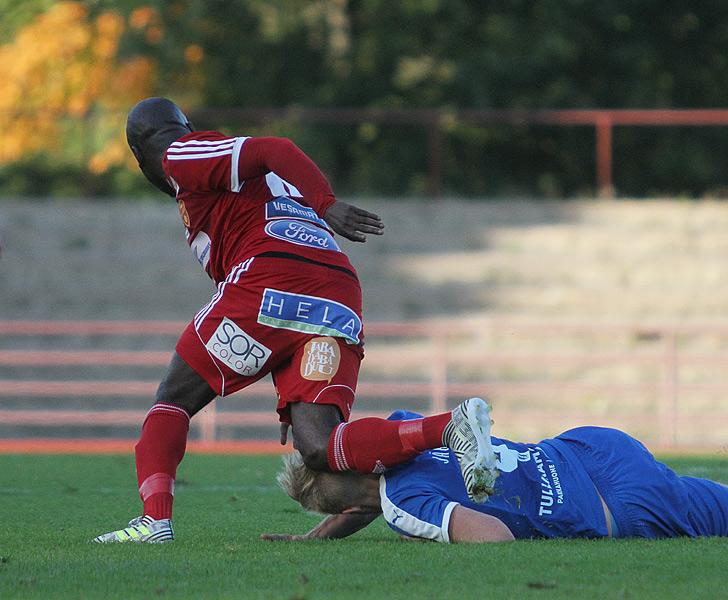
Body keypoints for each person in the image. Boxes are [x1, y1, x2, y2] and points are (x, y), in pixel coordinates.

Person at [93, 97, 497, 543]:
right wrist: (290, 387)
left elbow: (274, 148)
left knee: (171, 400)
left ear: (139, 154)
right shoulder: (239, 192)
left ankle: (154, 522)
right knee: (319, 445)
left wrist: (327, 204)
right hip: (336, 287)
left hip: (270, 275)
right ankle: (450, 425)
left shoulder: (180, 153)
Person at [264, 359, 728, 543]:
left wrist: (427, 537)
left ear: (332, 495)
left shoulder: (404, 504)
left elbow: (491, 538)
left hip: (609, 504)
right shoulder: (402, 432)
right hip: (592, 448)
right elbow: (366, 495)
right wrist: (314, 539)